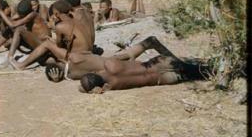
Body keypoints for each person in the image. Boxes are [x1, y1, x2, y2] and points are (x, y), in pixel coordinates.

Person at [9, 0, 105, 71]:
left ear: (56, 13)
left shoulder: (61, 26)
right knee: (47, 55)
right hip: (88, 54)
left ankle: (21, 65)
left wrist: (52, 38)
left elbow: (59, 46)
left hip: (77, 57)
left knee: (47, 44)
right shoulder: (77, 20)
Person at [44, 36, 179, 82]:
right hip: (114, 61)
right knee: (151, 41)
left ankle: (175, 63)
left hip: (114, 68)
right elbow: (87, 52)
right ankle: (176, 61)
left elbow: (55, 68)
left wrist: (56, 78)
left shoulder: (72, 76)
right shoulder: (74, 57)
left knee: (147, 65)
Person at [78, 54, 209, 93]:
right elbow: (128, 56)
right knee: (200, 68)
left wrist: (90, 89)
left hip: (165, 78)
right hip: (161, 63)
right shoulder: (110, 63)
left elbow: (88, 89)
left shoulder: (112, 86)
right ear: (95, 72)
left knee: (200, 75)